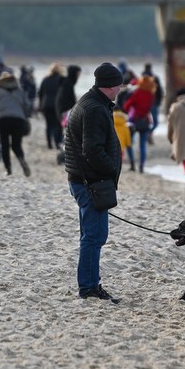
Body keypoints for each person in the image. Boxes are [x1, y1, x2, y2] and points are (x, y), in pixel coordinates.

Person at [63, 62, 124, 304]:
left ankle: (90, 284)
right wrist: (111, 170)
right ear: (111, 86)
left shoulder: (90, 102)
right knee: (94, 236)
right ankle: (88, 287)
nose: (120, 89)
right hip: (91, 182)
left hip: (83, 179)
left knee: (91, 236)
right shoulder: (95, 109)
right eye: (118, 85)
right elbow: (92, 150)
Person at [0, 71, 32, 176]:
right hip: (18, 119)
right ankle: (21, 159)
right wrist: (25, 116)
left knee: (4, 144)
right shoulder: (20, 92)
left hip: (3, 119)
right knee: (16, 144)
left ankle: (8, 169)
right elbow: (28, 105)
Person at [123, 73, 156, 173]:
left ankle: (132, 162)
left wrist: (130, 111)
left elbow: (126, 105)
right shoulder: (151, 95)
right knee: (142, 145)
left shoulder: (137, 93)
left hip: (134, 120)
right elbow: (150, 107)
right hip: (145, 120)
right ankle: (141, 165)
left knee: (129, 142)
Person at [37, 63, 65, 149]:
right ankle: (57, 142)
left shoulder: (45, 79)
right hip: (58, 105)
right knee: (58, 124)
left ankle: (49, 144)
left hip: (46, 105)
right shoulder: (61, 80)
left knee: (49, 125)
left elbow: (40, 93)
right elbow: (64, 93)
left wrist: (41, 104)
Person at [142, 63, 163, 145]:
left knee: (145, 122)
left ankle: (147, 135)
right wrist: (159, 101)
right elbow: (160, 91)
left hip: (143, 104)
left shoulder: (141, 79)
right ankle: (149, 134)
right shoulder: (155, 78)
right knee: (155, 123)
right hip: (153, 103)